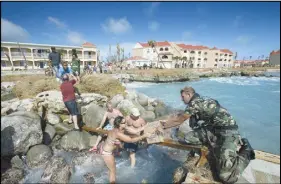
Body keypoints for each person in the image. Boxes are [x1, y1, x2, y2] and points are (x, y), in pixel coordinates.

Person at [160, 86, 255, 184]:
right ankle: (213, 141)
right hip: (213, 129)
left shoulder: (195, 103)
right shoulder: (202, 100)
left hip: (227, 131)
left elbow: (180, 119)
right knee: (189, 138)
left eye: (183, 96)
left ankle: (247, 151)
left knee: (226, 176)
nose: (182, 99)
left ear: (189, 94)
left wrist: (164, 126)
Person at [90, 116, 154, 184]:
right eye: (123, 123)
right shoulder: (117, 133)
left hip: (103, 149)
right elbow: (131, 140)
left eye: (125, 122)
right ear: (119, 124)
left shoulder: (119, 128)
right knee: (113, 171)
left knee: (108, 168)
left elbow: (135, 131)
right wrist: (143, 136)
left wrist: (147, 126)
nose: (125, 123)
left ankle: (92, 175)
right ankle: (94, 177)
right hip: (107, 153)